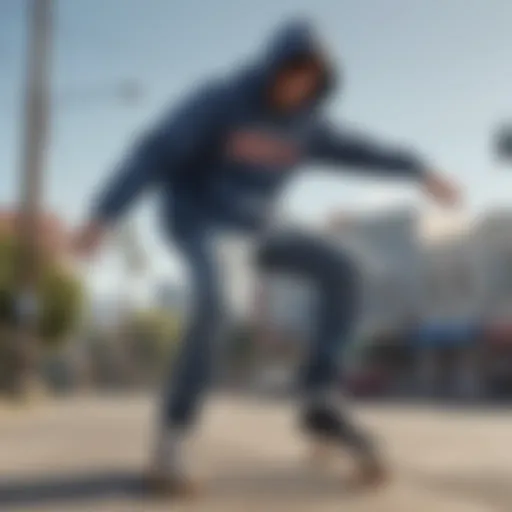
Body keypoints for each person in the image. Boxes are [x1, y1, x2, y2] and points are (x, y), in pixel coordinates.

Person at [73, 19, 460, 495]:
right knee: (219, 303)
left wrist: (420, 171)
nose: (295, 89)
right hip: (203, 220)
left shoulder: (308, 127)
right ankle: (175, 431)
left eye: (309, 81)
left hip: (263, 224)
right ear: (270, 68)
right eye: (289, 74)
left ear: (320, 84)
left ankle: (319, 400)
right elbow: (154, 152)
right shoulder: (219, 101)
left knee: (342, 268)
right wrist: (103, 214)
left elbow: (364, 150)